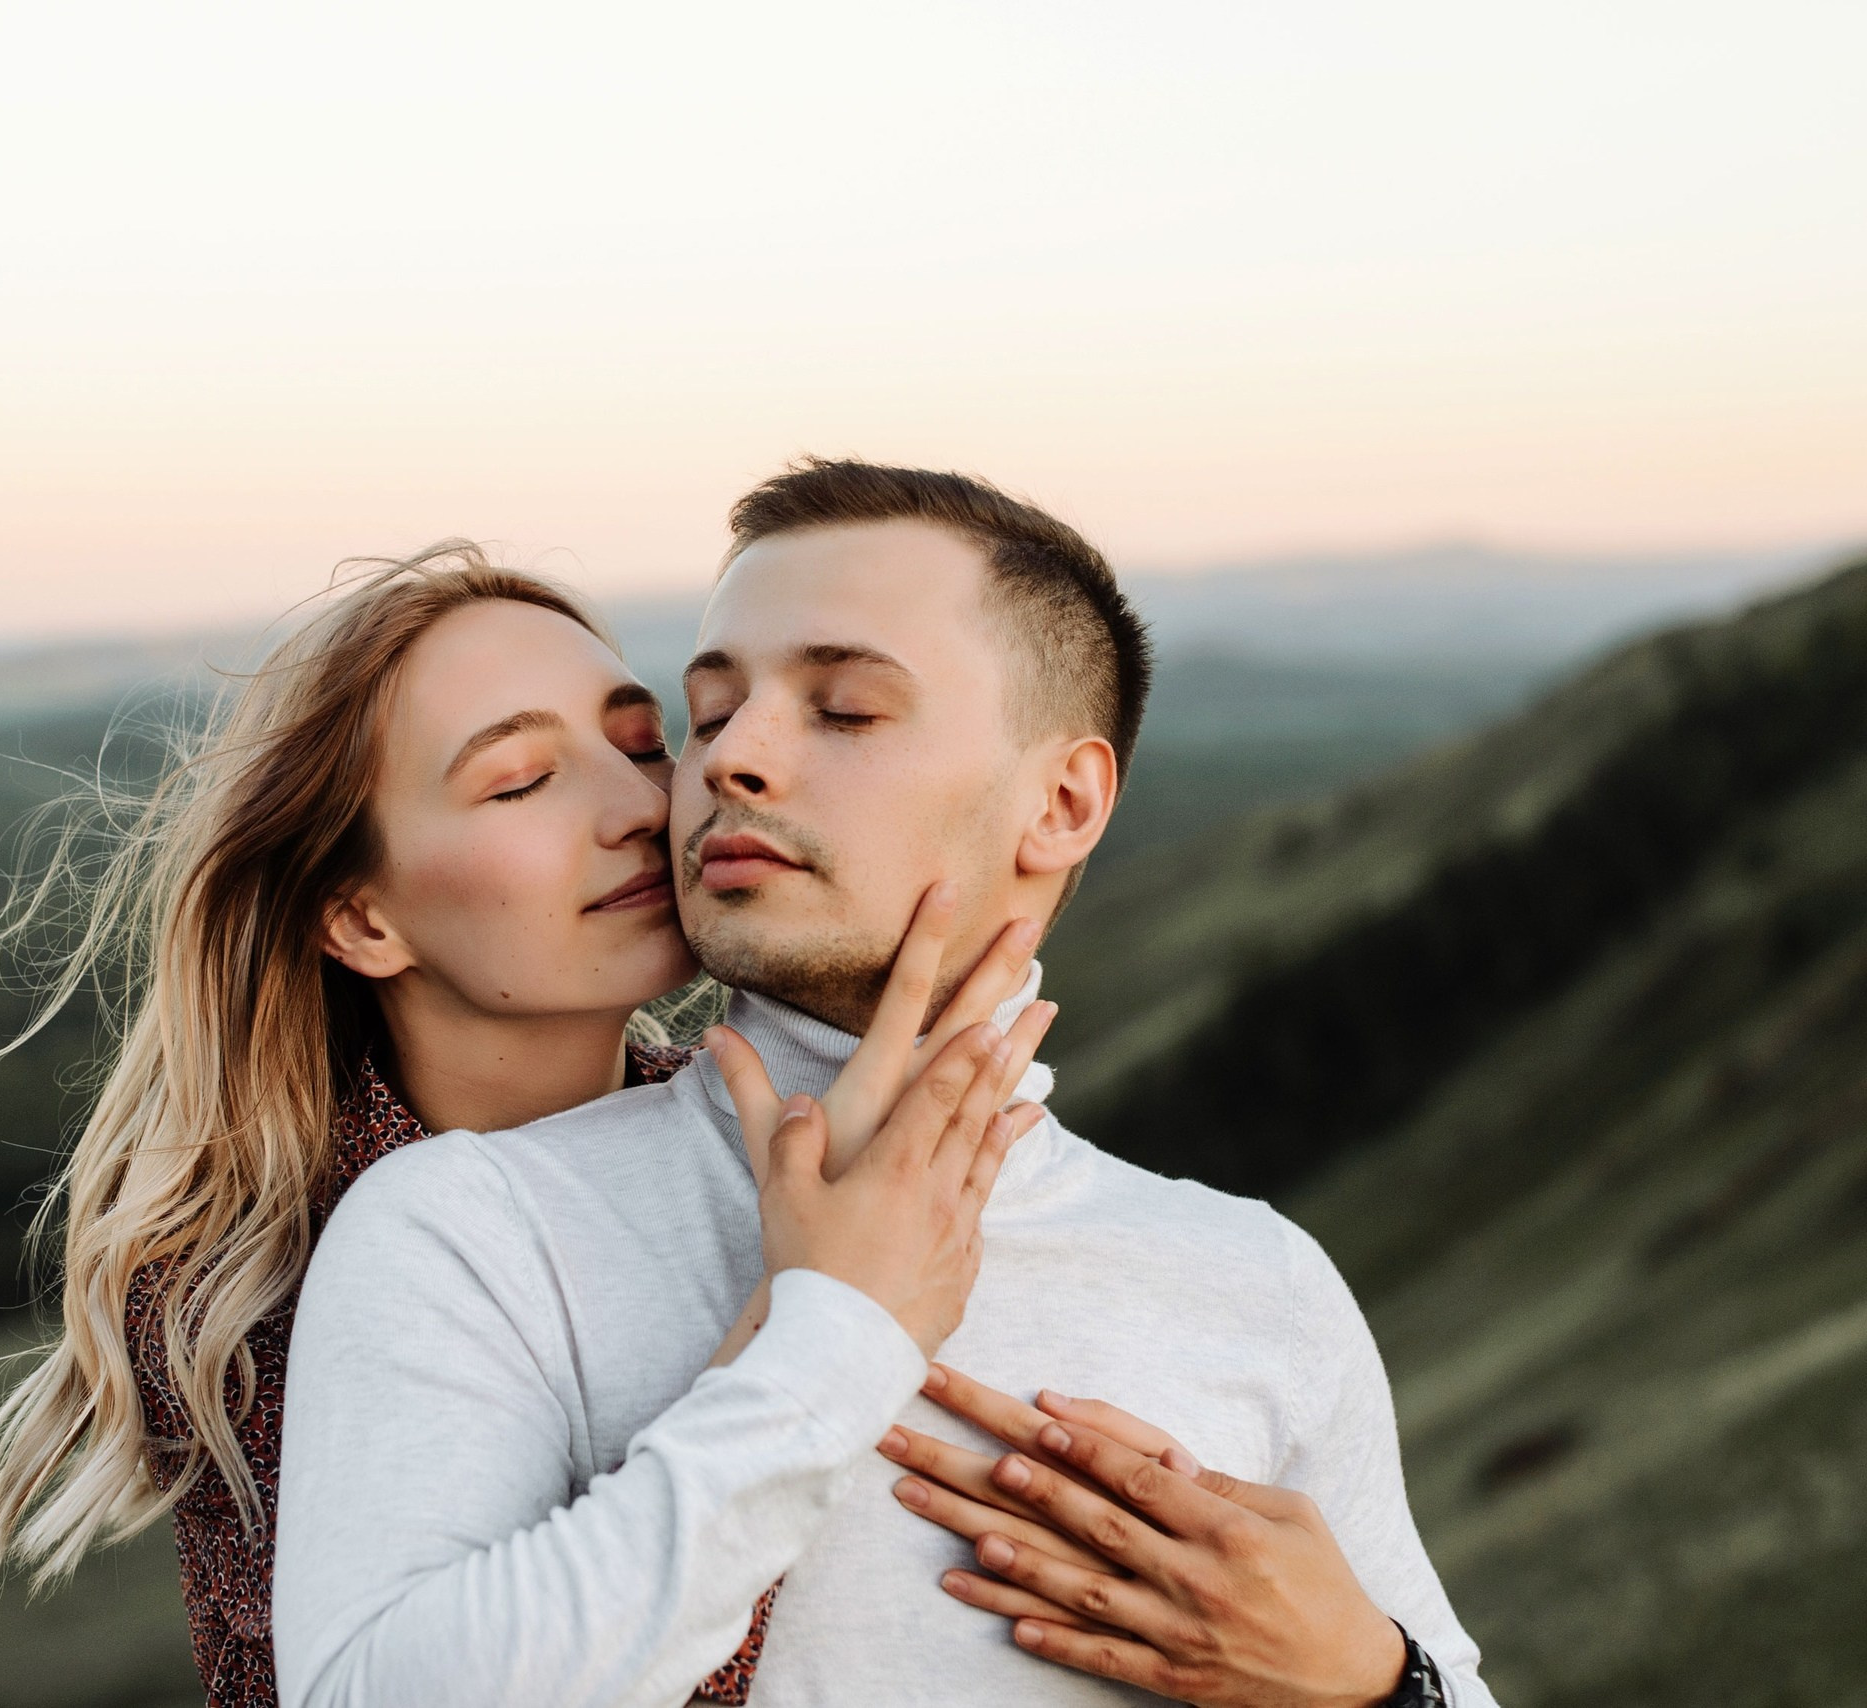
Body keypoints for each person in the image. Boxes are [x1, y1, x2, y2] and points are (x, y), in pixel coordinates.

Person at [273, 461, 1497, 1707]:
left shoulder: (1253, 1277)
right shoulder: (473, 1226)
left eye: (844, 710)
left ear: (1062, 801)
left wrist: (1378, 1686)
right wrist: (836, 1332)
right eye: (708, 711)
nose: (728, 759)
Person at [0, 542, 1048, 1708]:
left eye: (640, 743)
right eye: (518, 781)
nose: (640, 808)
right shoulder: (281, 1299)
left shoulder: (785, 1140)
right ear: (360, 918)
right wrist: (813, 1327)